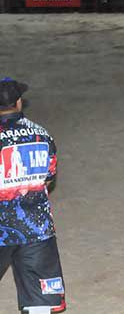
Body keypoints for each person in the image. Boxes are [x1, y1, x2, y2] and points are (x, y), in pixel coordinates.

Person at [0, 78, 66, 313]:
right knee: (39, 303)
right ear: (18, 102)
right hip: (36, 228)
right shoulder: (41, 134)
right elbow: (48, 178)